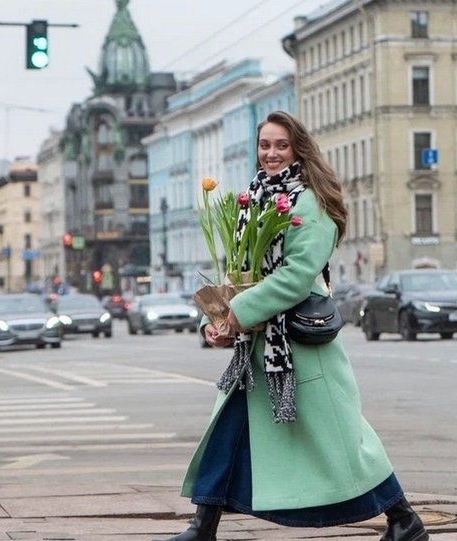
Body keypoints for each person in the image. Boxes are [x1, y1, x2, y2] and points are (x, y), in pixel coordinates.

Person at [156, 111, 429, 541]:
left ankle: (404, 519)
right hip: (259, 345)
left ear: (297, 148)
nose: (271, 153)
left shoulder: (310, 202)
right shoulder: (255, 198)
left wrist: (240, 311)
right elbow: (242, 269)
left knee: (342, 441)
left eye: (281, 145)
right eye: (265, 145)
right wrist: (221, 319)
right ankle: (202, 526)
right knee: (229, 429)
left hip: (299, 346)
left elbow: (297, 275)